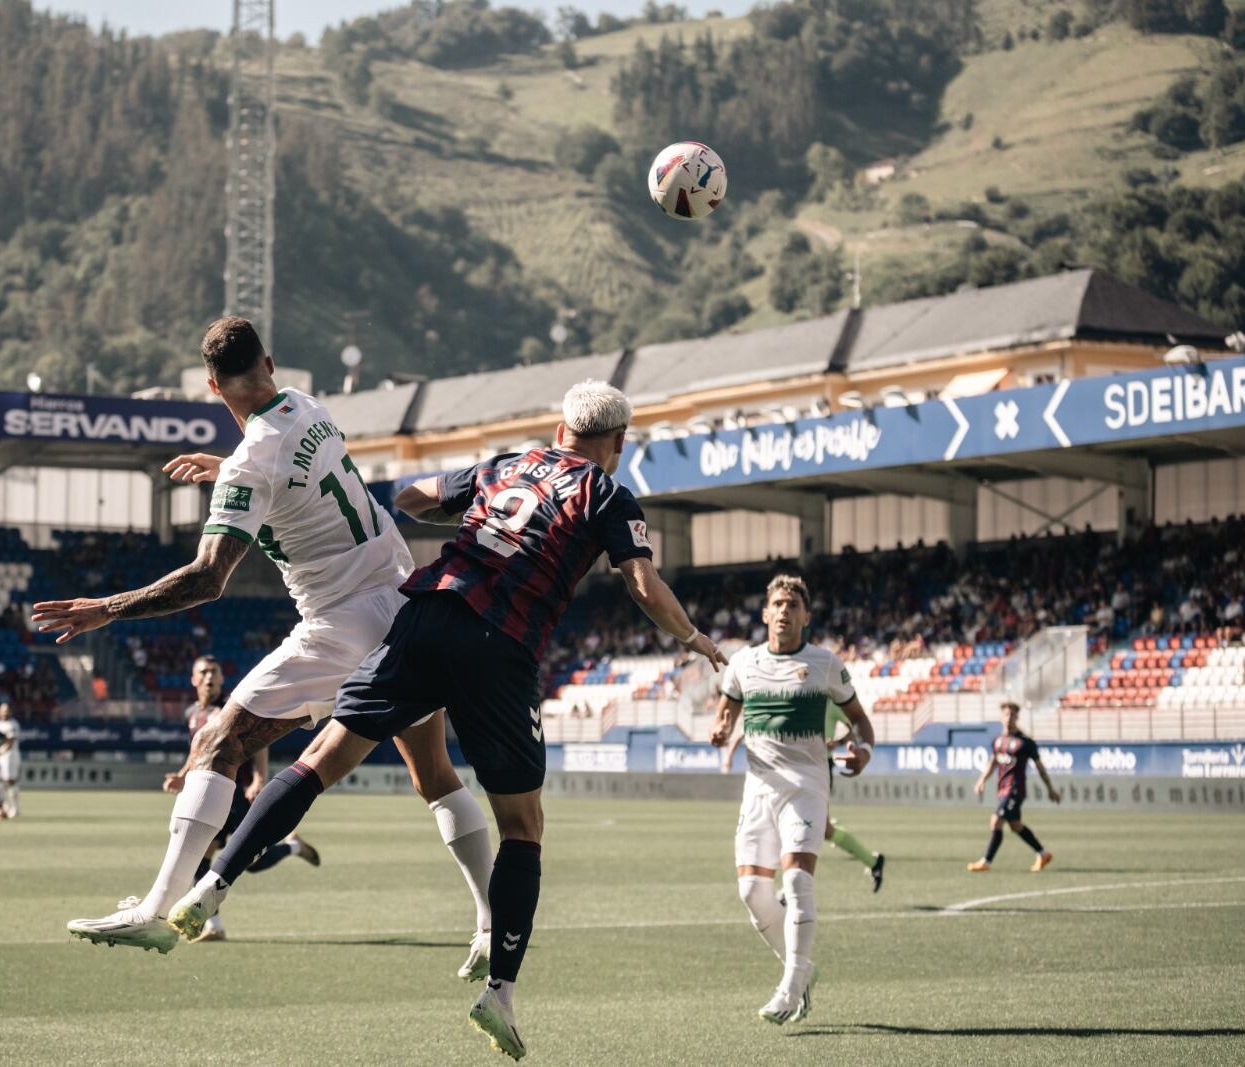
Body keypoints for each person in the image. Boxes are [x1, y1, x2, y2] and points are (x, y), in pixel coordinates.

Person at [168, 379, 724, 1061]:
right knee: (523, 825)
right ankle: (500, 992)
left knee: (322, 758)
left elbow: (409, 496)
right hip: (501, 645)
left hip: (427, 614)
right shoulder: (607, 494)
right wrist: (696, 640)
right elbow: (641, 585)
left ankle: (210, 885)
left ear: (559, 430)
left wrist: (479, 523)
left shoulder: (509, 465)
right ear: (617, 443)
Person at [39, 317, 494, 970]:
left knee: (218, 741)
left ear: (211, 385)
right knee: (434, 773)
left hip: (342, 622)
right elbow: (304, 478)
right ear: (272, 365)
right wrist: (229, 472)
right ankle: (488, 917)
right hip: (406, 600)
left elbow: (205, 579)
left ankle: (155, 909)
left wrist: (103, 609)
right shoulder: (308, 408)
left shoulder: (251, 461)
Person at [709, 575, 875, 1026]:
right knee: (751, 891)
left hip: (806, 785)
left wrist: (863, 750)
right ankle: (800, 970)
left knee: (798, 882)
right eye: (777, 603)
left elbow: (861, 722)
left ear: (806, 616)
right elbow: (727, 712)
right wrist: (721, 728)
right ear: (765, 614)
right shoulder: (743, 663)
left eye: (793, 604)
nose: (784, 611)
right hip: (758, 788)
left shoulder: (825, 664)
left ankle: (791, 986)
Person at [182, 654, 319, 943]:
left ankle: (292, 848)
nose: (209, 677)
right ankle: (213, 926)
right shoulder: (192, 713)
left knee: (251, 862)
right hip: (211, 795)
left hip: (238, 794)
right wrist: (182, 774)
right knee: (199, 859)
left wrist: (259, 777)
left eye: (214, 672)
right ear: (194, 679)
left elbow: (259, 744)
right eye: (203, 672)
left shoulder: (231, 709)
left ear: (221, 678)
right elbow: (199, 752)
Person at [721, 696, 885, 893]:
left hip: (819, 768)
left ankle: (787, 889)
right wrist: (730, 753)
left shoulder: (830, 701)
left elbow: (856, 723)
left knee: (810, 827)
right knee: (821, 828)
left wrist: (839, 742)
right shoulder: (793, 694)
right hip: (790, 769)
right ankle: (873, 861)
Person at [969, 701, 1060, 872]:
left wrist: (1050, 789)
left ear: (1017, 717)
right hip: (1002, 789)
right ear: (1001, 717)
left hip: (1015, 789)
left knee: (996, 821)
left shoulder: (1025, 743)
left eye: (1012, 715)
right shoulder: (997, 741)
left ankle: (986, 861)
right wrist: (981, 780)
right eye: (1006, 714)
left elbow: (1040, 768)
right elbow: (993, 762)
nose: (1009, 718)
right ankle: (1043, 853)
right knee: (1015, 825)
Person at [0, 703, 22, 820]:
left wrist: (0, 751)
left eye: (7, 711)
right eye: (2, 710)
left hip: (10, 756)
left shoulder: (13, 724)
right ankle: (5, 807)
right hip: (1, 756)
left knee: (10, 781)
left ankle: (14, 808)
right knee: (0, 783)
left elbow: (10, 742)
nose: (4, 713)